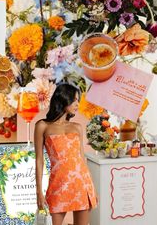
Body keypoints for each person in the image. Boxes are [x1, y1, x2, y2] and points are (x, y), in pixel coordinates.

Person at [34, 83, 97, 225]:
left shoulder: (77, 127)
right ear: (63, 99)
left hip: (81, 183)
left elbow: (81, 159)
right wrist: (39, 191)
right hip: (58, 184)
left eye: (78, 100)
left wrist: (91, 188)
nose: (77, 104)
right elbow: (39, 160)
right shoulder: (42, 126)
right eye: (74, 100)